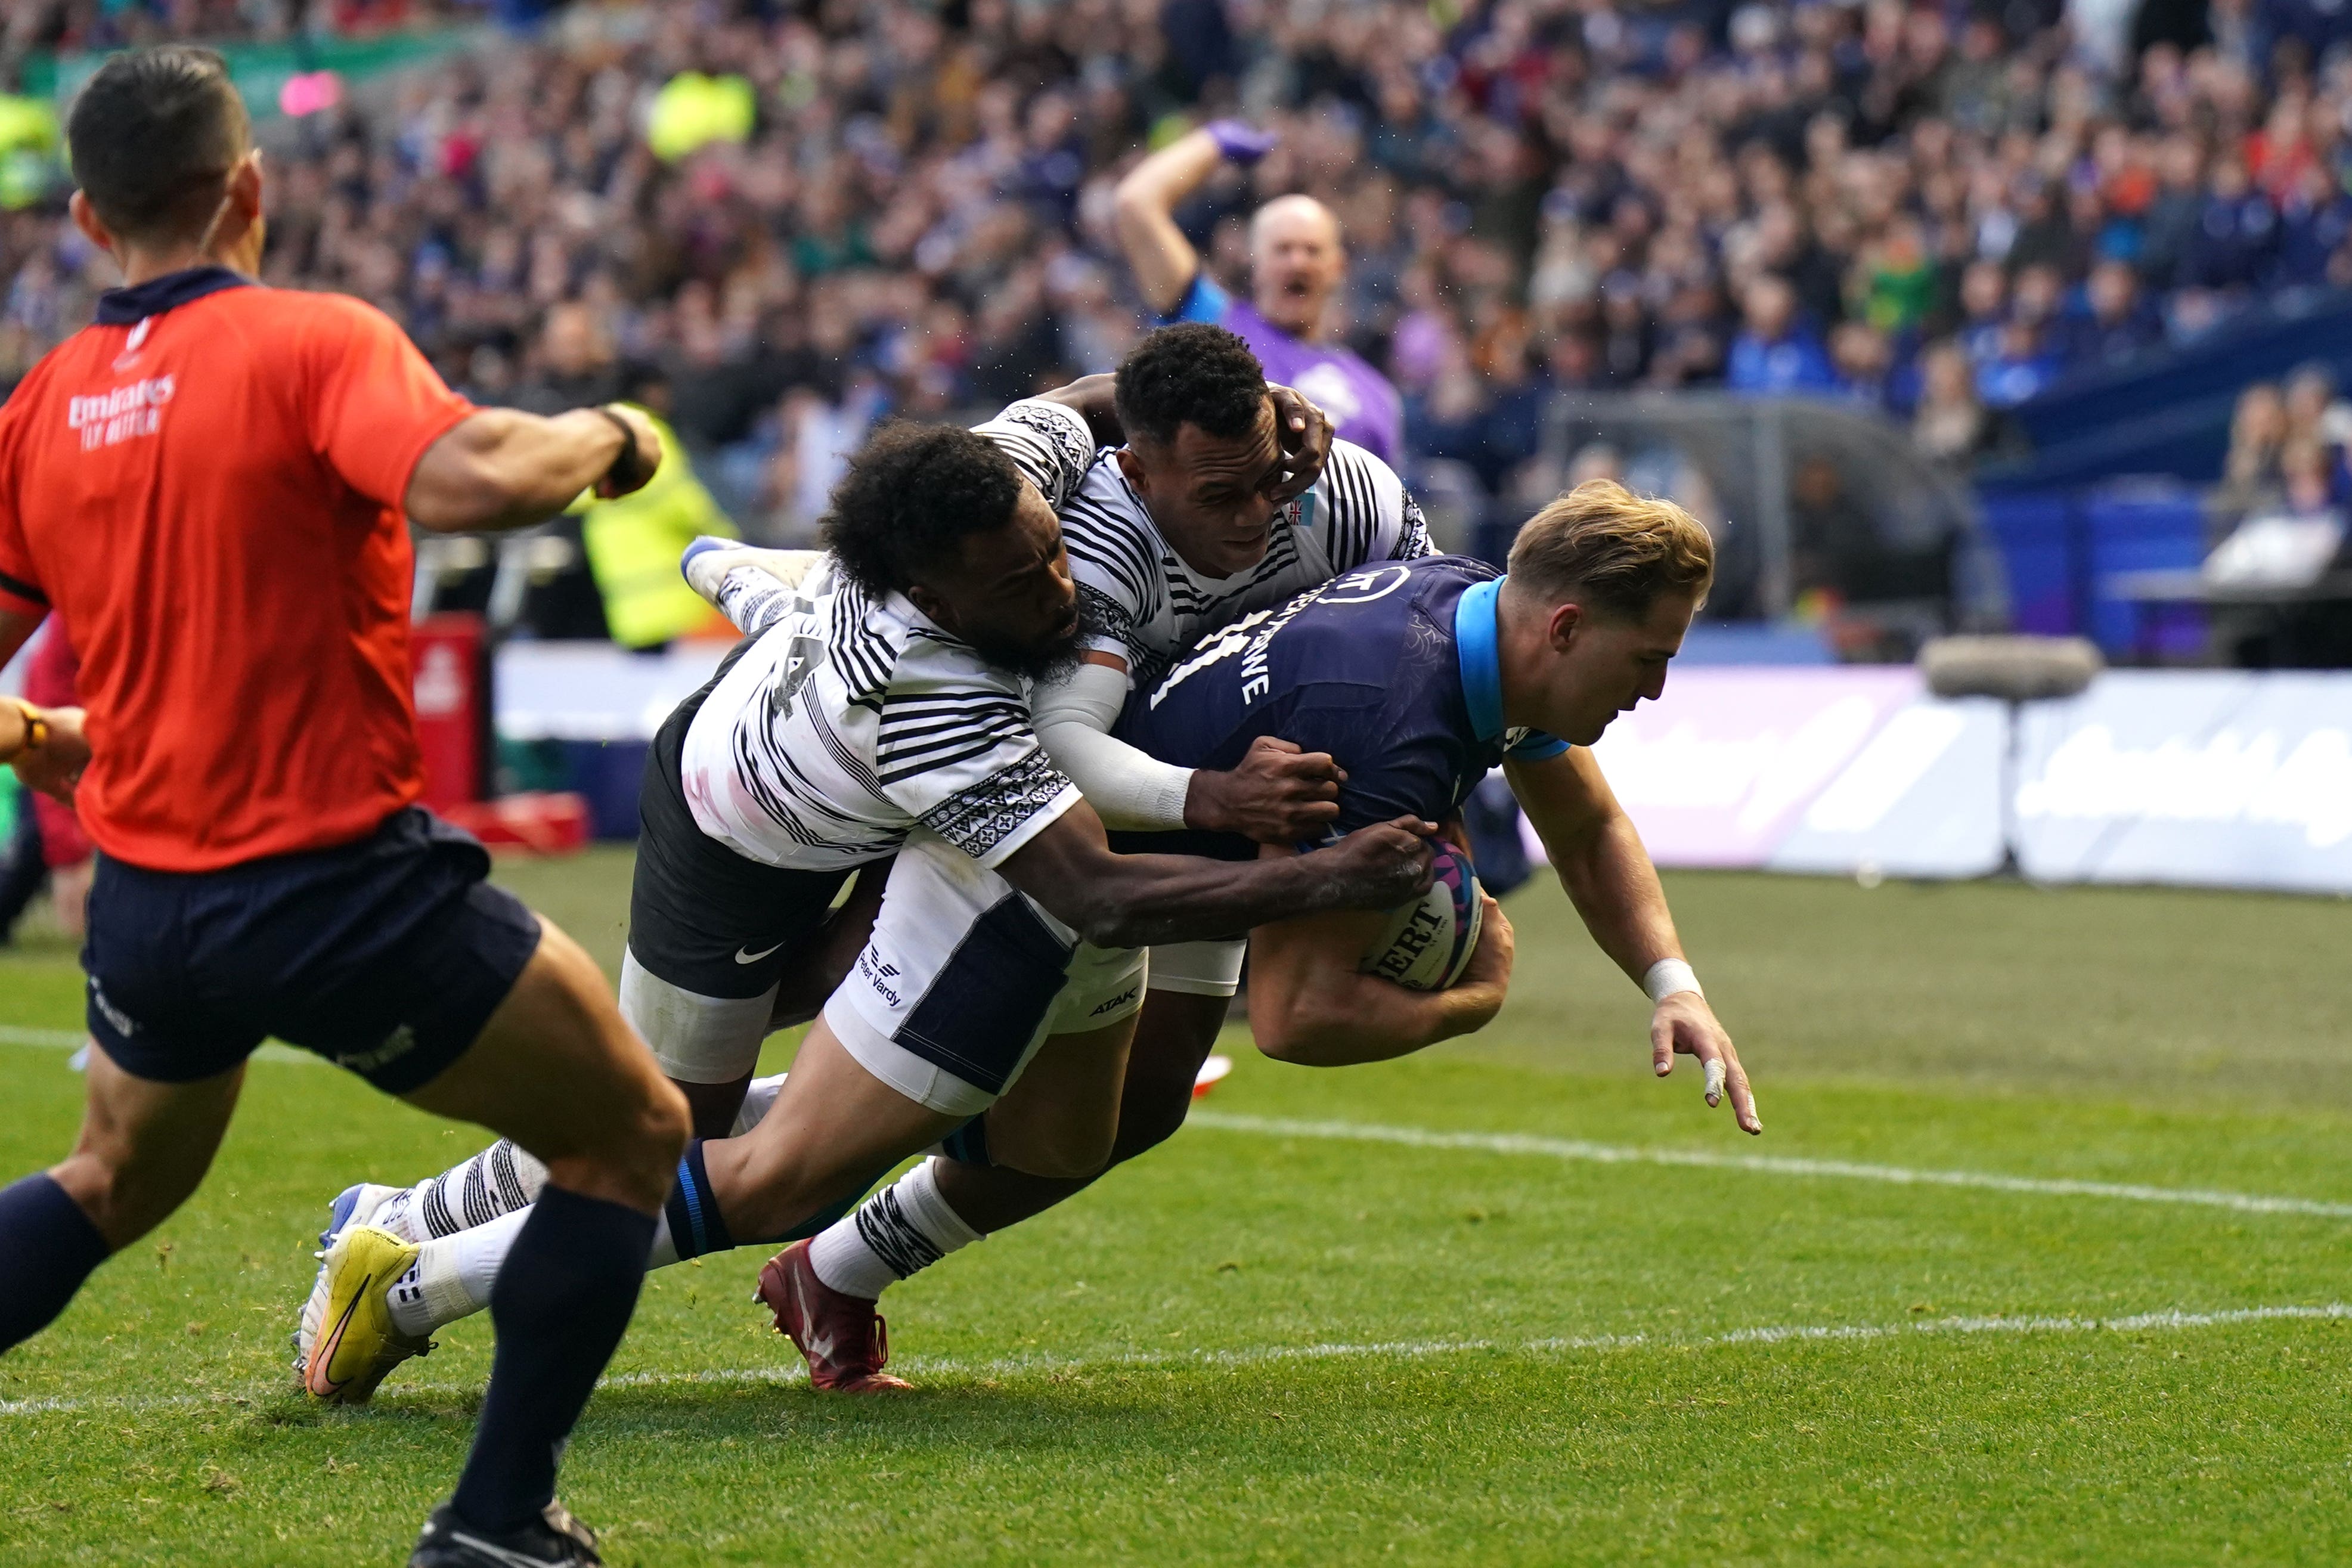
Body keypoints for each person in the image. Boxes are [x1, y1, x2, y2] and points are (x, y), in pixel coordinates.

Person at [289, 420, 1437, 1399]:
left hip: (877, 813)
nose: (1061, 589)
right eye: (1019, 584)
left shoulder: (998, 470)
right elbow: (1090, 889)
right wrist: (1319, 875)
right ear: (933, 596)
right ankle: (406, 1262)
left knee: (1004, 1119)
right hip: (734, 838)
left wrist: (1251, 410)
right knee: (669, 1135)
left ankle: (433, 1220)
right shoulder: (930, 688)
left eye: (1051, 553)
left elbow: (1094, 403)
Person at [0, 48, 693, 1568]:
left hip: (148, 903)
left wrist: (35, 732)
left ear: (85, 213)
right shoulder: (310, 338)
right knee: (631, 1131)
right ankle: (499, 1518)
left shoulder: (43, 403)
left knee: (112, 1176)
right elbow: (465, 479)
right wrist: (613, 438)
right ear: (248, 187)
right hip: (332, 886)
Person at [769, 480, 1762, 1391]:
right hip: (1068, 867)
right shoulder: (1388, 730)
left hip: (1200, 849)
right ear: (1568, 626)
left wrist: (1673, 984)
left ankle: (831, 1270)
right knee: (935, 1127)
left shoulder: (1476, 607)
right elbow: (1297, 1018)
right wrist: (1475, 997)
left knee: (1134, 1111)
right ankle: (688, 1181)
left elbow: (1585, 828)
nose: (1657, 690)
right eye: (1651, 660)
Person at [1113, 122, 1403, 464]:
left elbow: (1386, 509)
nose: (1298, 262)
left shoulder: (1377, 397)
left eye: (1312, 250)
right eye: (1283, 249)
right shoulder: (1211, 326)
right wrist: (1214, 144)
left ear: (1338, 267)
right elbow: (1136, 205)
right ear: (1255, 263)